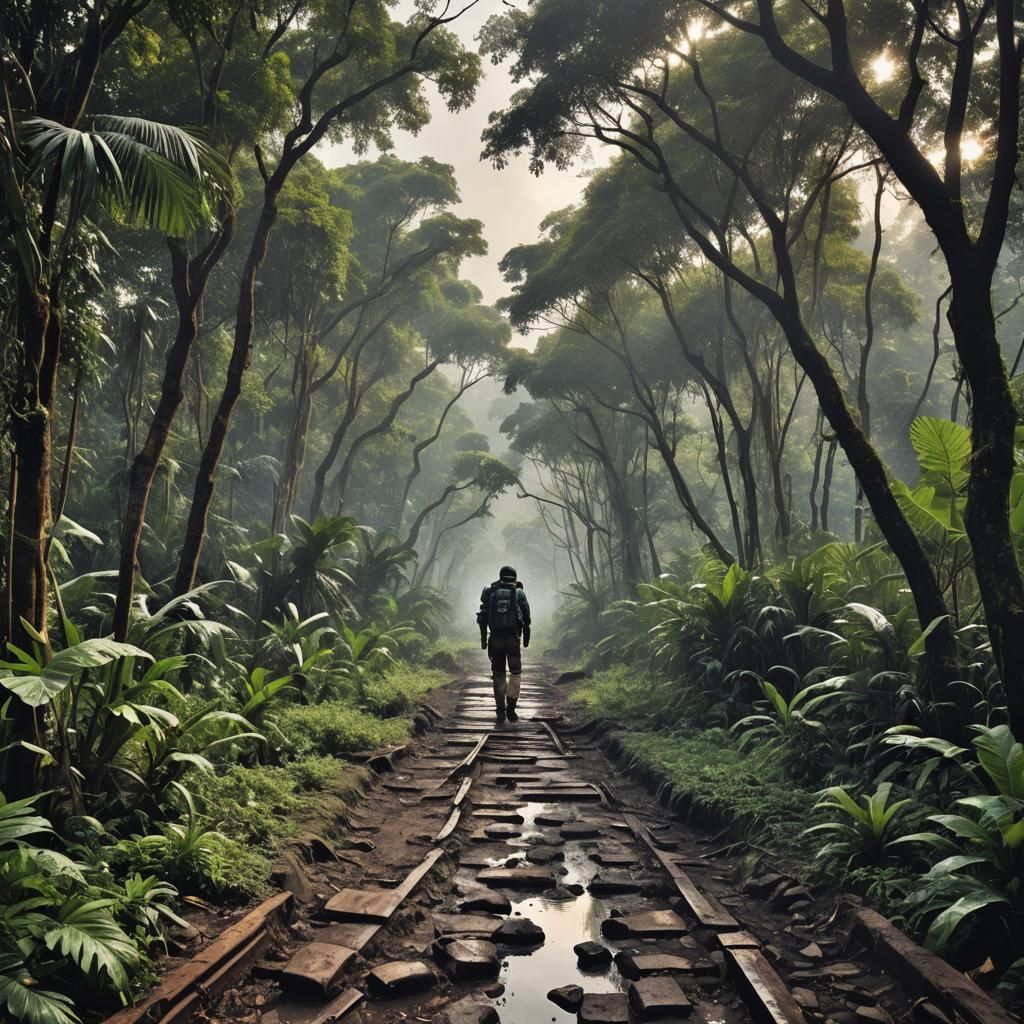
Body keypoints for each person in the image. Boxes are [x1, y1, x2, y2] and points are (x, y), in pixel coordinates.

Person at [477, 565, 531, 722]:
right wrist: (525, 636)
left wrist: (483, 639)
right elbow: (526, 617)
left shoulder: (490, 592)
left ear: (500, 576)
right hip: (513, 639)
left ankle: (500, 709)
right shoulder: (519, 593)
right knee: (515, 673)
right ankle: (511, 709)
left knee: (498, 674)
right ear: (515, 577)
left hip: (495, 639)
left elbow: (483, 617)